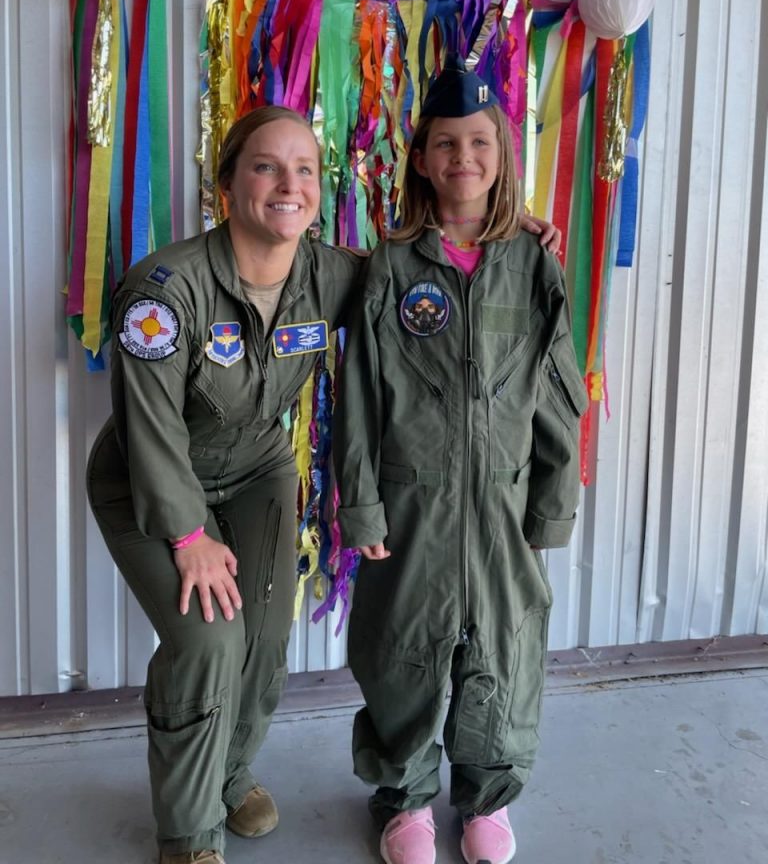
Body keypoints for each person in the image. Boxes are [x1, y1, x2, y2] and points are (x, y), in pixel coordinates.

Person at [86, 102, 560, 864]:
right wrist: (189, 537)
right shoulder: (163, 293)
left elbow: (431, 271)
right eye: (267, 166)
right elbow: (150, 432)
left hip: (256, 468)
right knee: (209, 639)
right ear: (229, 183)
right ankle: (187, 832)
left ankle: (230, 775)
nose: (289, 184)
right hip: (150, 481)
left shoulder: (330, 272)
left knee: (268, 632)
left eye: (304, 168)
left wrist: (511, 221)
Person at [334, 57, 589, 864]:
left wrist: (553, 500)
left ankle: (486, 797)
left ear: (502, 152)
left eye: (480, 141)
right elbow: (361, 395)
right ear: (420, 157)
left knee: (503, 653)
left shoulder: (533, 261)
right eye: (446, 143)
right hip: (413, 505)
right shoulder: (393, 266)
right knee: (403, 650)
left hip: (506, 506)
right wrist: (361, 504)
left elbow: (557, 390)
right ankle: (404, 797)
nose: (463, 159)